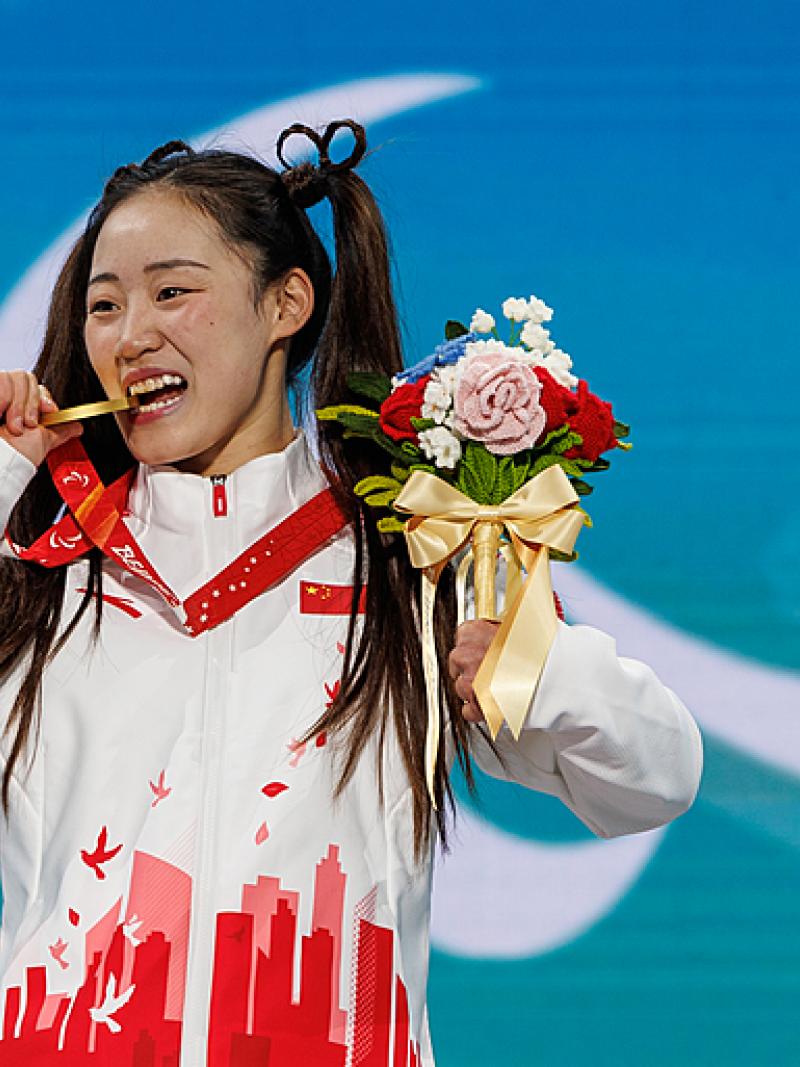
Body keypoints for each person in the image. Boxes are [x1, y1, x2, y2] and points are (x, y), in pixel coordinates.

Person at [0, 120, 702, 1066]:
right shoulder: (44, 573)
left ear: (286, 303)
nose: (131, 336)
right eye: (104, 305)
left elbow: (655, 778)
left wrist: (539, 669)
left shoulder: (406, 561)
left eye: (172, 291)